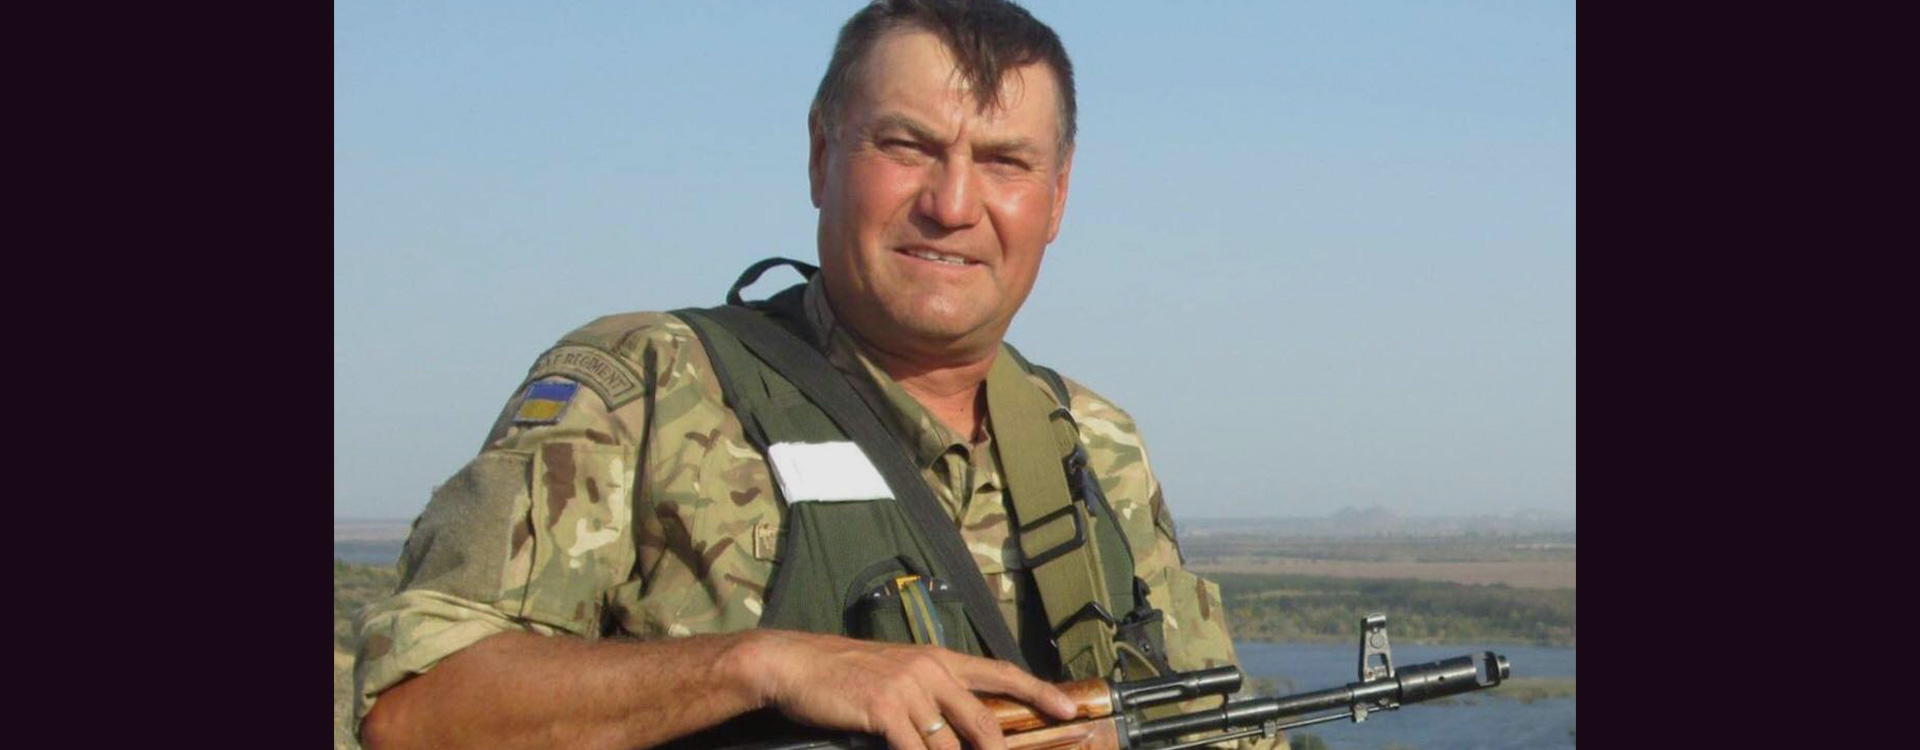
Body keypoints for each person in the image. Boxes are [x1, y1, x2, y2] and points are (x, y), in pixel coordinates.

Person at [353, 2, 1283, 750]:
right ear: (820, 155)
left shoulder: (1092, 442)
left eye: (1005, 162)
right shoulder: (650, 387)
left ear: (1058, 197)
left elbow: (1222, 725)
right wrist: (764, 668)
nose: (953, 204)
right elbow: (415, 709)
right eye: (908, 146)